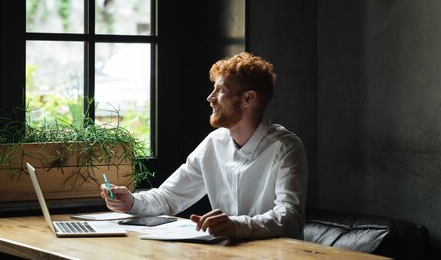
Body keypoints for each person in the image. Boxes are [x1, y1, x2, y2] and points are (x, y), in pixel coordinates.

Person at [100, 52, 308, 240]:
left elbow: (289, 217)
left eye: (220, 91)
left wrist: (236, 225)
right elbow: (168, 197)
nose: (210, 98)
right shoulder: (213, 144)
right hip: (229, 259)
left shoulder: (285, 147)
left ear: (248, 98)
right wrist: (131, 202)